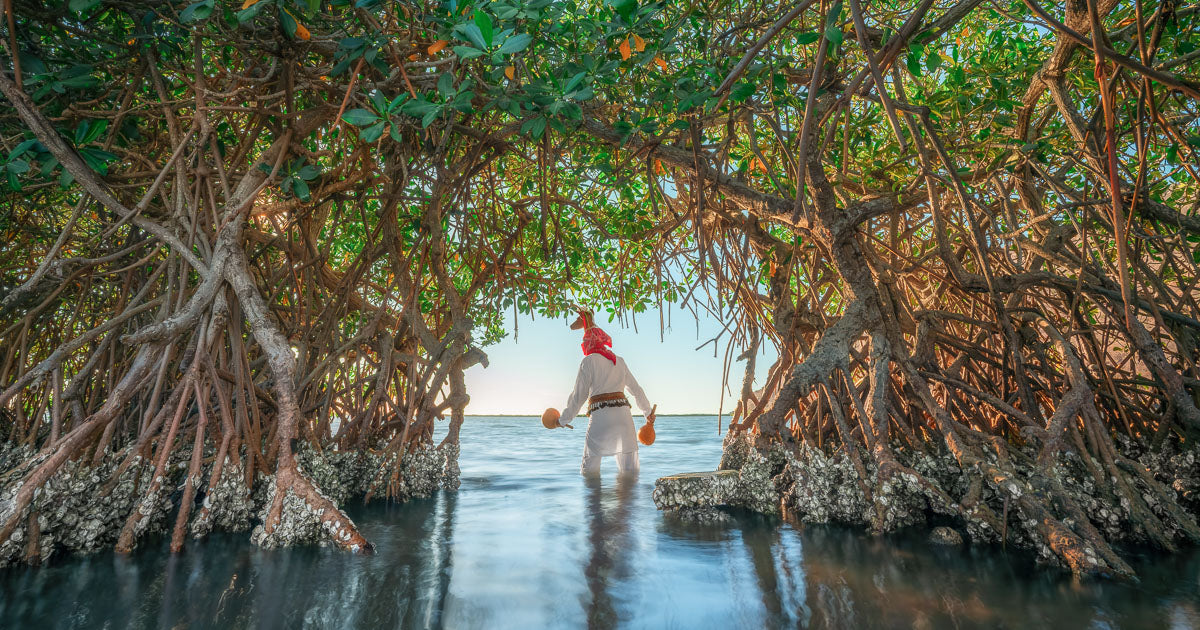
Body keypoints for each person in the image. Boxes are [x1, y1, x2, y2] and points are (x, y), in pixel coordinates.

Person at [554, 308, 656, 475]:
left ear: (587, 341)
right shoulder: (619, 361)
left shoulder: (588, 362)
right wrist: (648, 413)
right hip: (624, 418)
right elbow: (637, 390)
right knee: (630, 473)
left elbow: (578, 397)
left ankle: (592, 498)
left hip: (601, 417)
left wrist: (563, 420)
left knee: (589, 470)